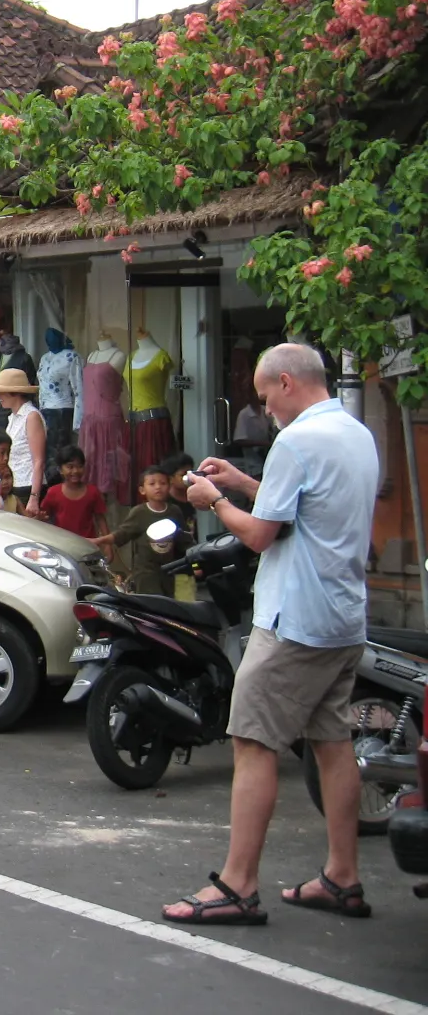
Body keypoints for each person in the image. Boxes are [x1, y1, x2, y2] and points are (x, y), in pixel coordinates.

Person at [164, 344, 379, 926]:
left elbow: (260, 535)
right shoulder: (355, 433)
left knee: (253, 741)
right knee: (331, 741)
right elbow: (300, 510)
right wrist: (243, 481)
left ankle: (238, 884)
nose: (265, 410)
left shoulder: (298, 440)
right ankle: (342, 876)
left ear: (286, 382)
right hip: (342, 616)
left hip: (295, 620)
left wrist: (214, 500)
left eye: (265, 398)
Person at [96, 466, 192, 595]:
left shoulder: (174, 511)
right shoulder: (139, 512)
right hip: (146, 573)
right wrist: (98, 541)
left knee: (173, 603)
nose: (158, 487)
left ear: (169, 486)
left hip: (171, 570)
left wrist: (194, 562)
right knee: (151, 603)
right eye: (152, 484)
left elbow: (185, 541)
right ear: (142, 490)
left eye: (162, 483)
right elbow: (121, 534)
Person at [0, 367, 47, 517]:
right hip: (14, 484)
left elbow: (38, 460)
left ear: (14, 393)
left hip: (28, 486)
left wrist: (34, 497)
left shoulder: (31, 416)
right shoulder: (13, 417)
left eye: (1, 392)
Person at [40, 445, 109, 540]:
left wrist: (107, 543)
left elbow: (100, 518)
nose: (75, 471)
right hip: (62, 542)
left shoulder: (93, 492)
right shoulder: (53, 492)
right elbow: (44, 516)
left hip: (87, 543)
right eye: (70, 467)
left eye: (80, 466)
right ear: (60, 470)